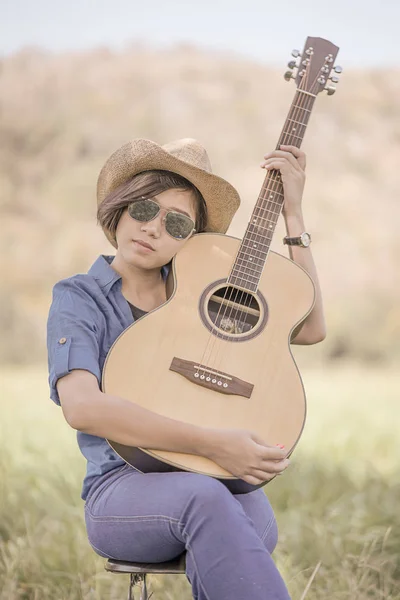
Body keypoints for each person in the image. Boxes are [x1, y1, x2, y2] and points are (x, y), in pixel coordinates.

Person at [47, 137, 326, 600]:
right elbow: (82, 408)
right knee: (209, 500)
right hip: (121, 488)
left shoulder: (204, 292)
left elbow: (310, 327)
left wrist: (293, 215)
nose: (153, 229)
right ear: (118, 209)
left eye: (175, 223)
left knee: (254, 518)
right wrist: (215, 443)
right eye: (142, 210)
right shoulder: (80, 297)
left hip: (212, 478)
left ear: (190, 239)